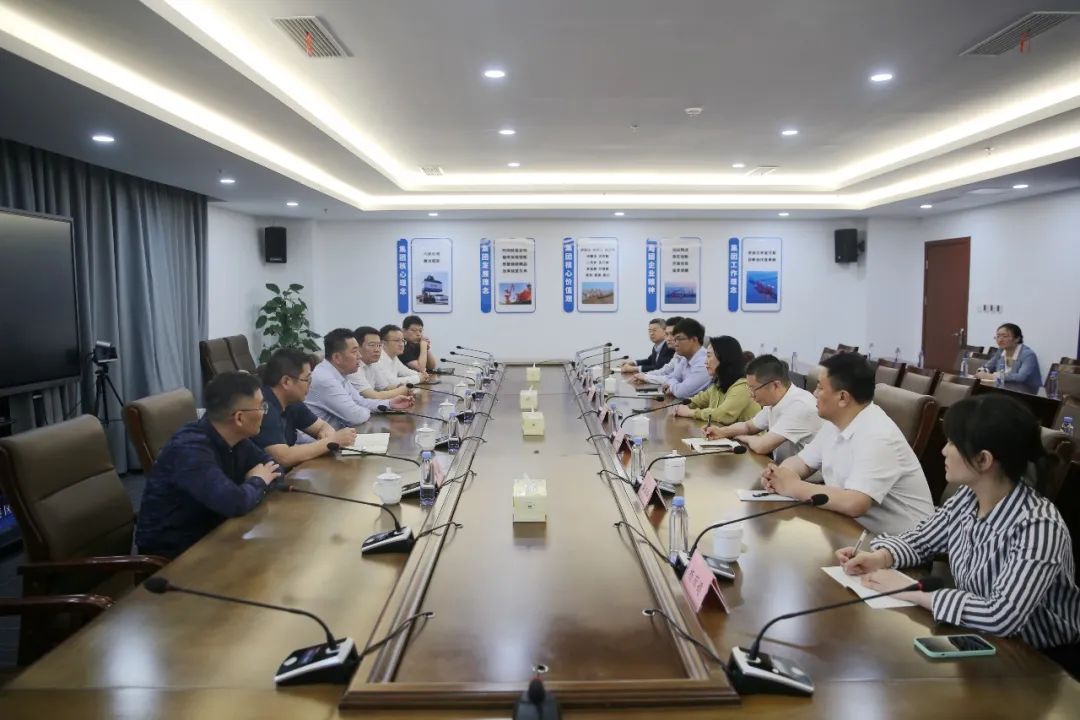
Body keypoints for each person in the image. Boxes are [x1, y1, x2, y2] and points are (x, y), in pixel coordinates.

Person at [838, 395, 1080, 657]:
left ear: (983, 460)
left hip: (1037, 658)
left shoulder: (1039, 526)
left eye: (953, 442)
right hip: (979, 636)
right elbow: (921, 540)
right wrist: (880, 557)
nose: (943, 450)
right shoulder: (968, 496)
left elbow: (1002, 615)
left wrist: (911, 591)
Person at [761, 352, 934, 535]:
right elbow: (803, 462)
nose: (814, 393)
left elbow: (855, 503)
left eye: (820, 388)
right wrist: (779, 475)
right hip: (853, 531)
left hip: (904, 544)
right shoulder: (835, 423)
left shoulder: (878, 435)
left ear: (843, 397)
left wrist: (792, 486)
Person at [135, 372, 281, 559]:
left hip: (216, 535)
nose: (264, 413)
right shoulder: (190, 449)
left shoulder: (236, 438)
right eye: (261, 406)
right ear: (239, 418)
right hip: (176, 556)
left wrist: (251, 488)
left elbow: (276, 470)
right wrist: (258, 481)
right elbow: (234, 503)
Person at [252, 348, 358, 467]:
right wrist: (331, 441)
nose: (310, 385)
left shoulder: (291, 401)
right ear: (286, 382)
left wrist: (327, 436)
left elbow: (321, 426)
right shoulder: (263, 407)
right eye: (307, 379)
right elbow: (283, 457)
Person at [705, 353, 821, 462]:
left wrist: (740, 437)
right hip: (781, 467)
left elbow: (762, 446)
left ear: (775, 385)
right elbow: (748, 427)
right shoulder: (775, 400)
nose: (751, 395)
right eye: (749, 388)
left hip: (802, 475)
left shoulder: (799, 406)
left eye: (754, 389)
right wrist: (721, 432)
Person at [306, 328, 412, 429]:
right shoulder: (325, 379)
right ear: (337, 357)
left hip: (340, 433)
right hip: (321, 440)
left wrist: (390, 404)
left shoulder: (340, 373)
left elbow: (360, 401)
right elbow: (356, 417)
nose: (359, 356)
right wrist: (363, 409)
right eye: (354, 352)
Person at [674, 335, 760, 424]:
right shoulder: (719, 384)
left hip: (741, 434)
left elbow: (723, 415)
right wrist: (680, 406)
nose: (705, 362)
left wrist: (690, 413)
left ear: (724, 358)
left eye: (709, 356)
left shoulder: (743, 386)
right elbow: (697, 401)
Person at [644, 318, 711, 399]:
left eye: (679, 339)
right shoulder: (685, 358)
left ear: (694, 339)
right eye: (675, 339)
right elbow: (671, 378)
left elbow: (681, 392)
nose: (675, 343)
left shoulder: (704, 362)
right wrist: (676, 385)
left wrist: (673, 387)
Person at [975, 323, 1042, 392]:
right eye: (998, 336)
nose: (1000, 340)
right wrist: (981, 372)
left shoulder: (1028, 355)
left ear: (1017, 339)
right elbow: (988, 366)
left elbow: (1020, 377)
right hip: (1003, 390)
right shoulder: (1001, 350)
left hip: (1026, 393)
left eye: (1005, 336)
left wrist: (993, 376)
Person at [349, 326, 412, 399]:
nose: (377, 350)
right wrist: (402, 390)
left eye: (379, 345)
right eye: (372, 345)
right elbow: (374, 396)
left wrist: (400, 386)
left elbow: (385, 387)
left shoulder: (373, 363)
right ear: (357, 347)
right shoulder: (353, 368)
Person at [630, 317, 683, 383]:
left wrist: (644, 376)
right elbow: (665, 371)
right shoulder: (677, 354)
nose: (668, 338)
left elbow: (661, 369)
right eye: (650, 331)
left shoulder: (670, 349)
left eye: (654, 330)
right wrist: (644, 376)